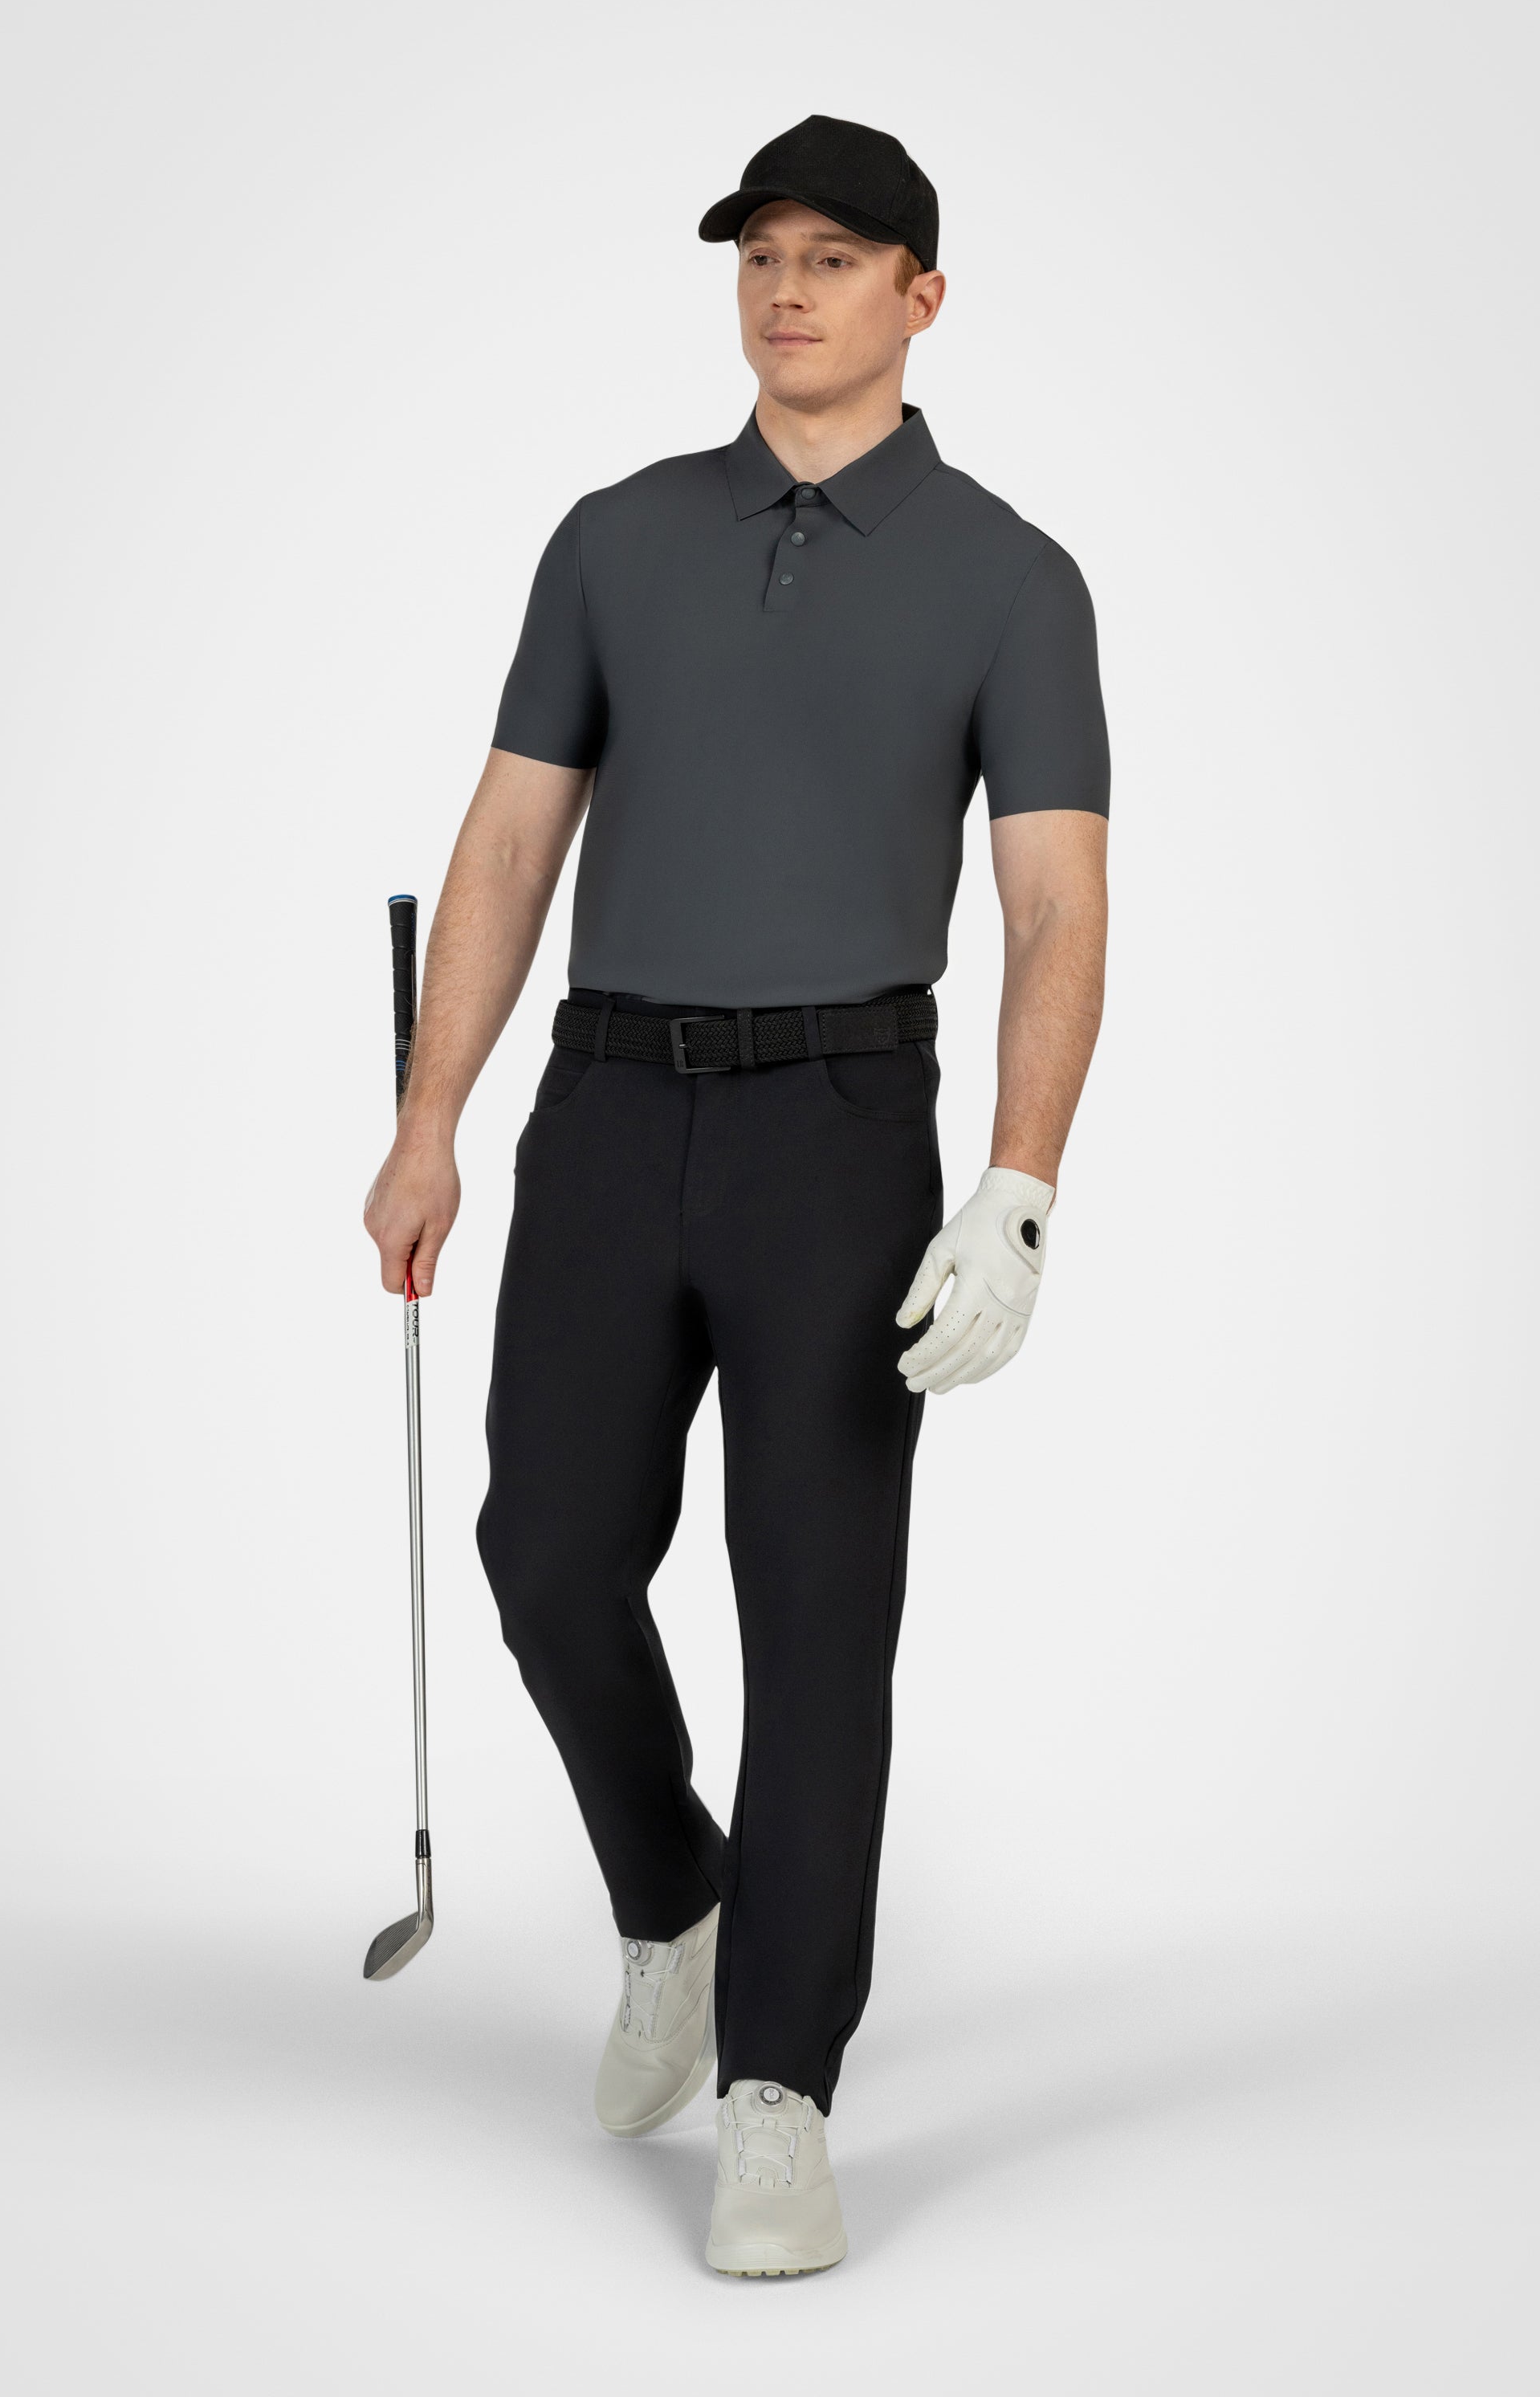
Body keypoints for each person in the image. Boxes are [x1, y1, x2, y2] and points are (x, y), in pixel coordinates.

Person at [364, 112, 1109, 2277]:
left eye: (836, 256)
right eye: (763, 253)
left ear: (922, 297)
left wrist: (1020, 1188)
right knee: (542, 1553)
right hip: (608, 1103)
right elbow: (510, 843)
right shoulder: (615, 538)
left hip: (843, 1130)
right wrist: (429, 1116)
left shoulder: (1014, 577)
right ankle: (674, 1901)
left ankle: (781, 2086)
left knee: (817, 1606)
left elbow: (1054, 909)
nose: (789, 287)